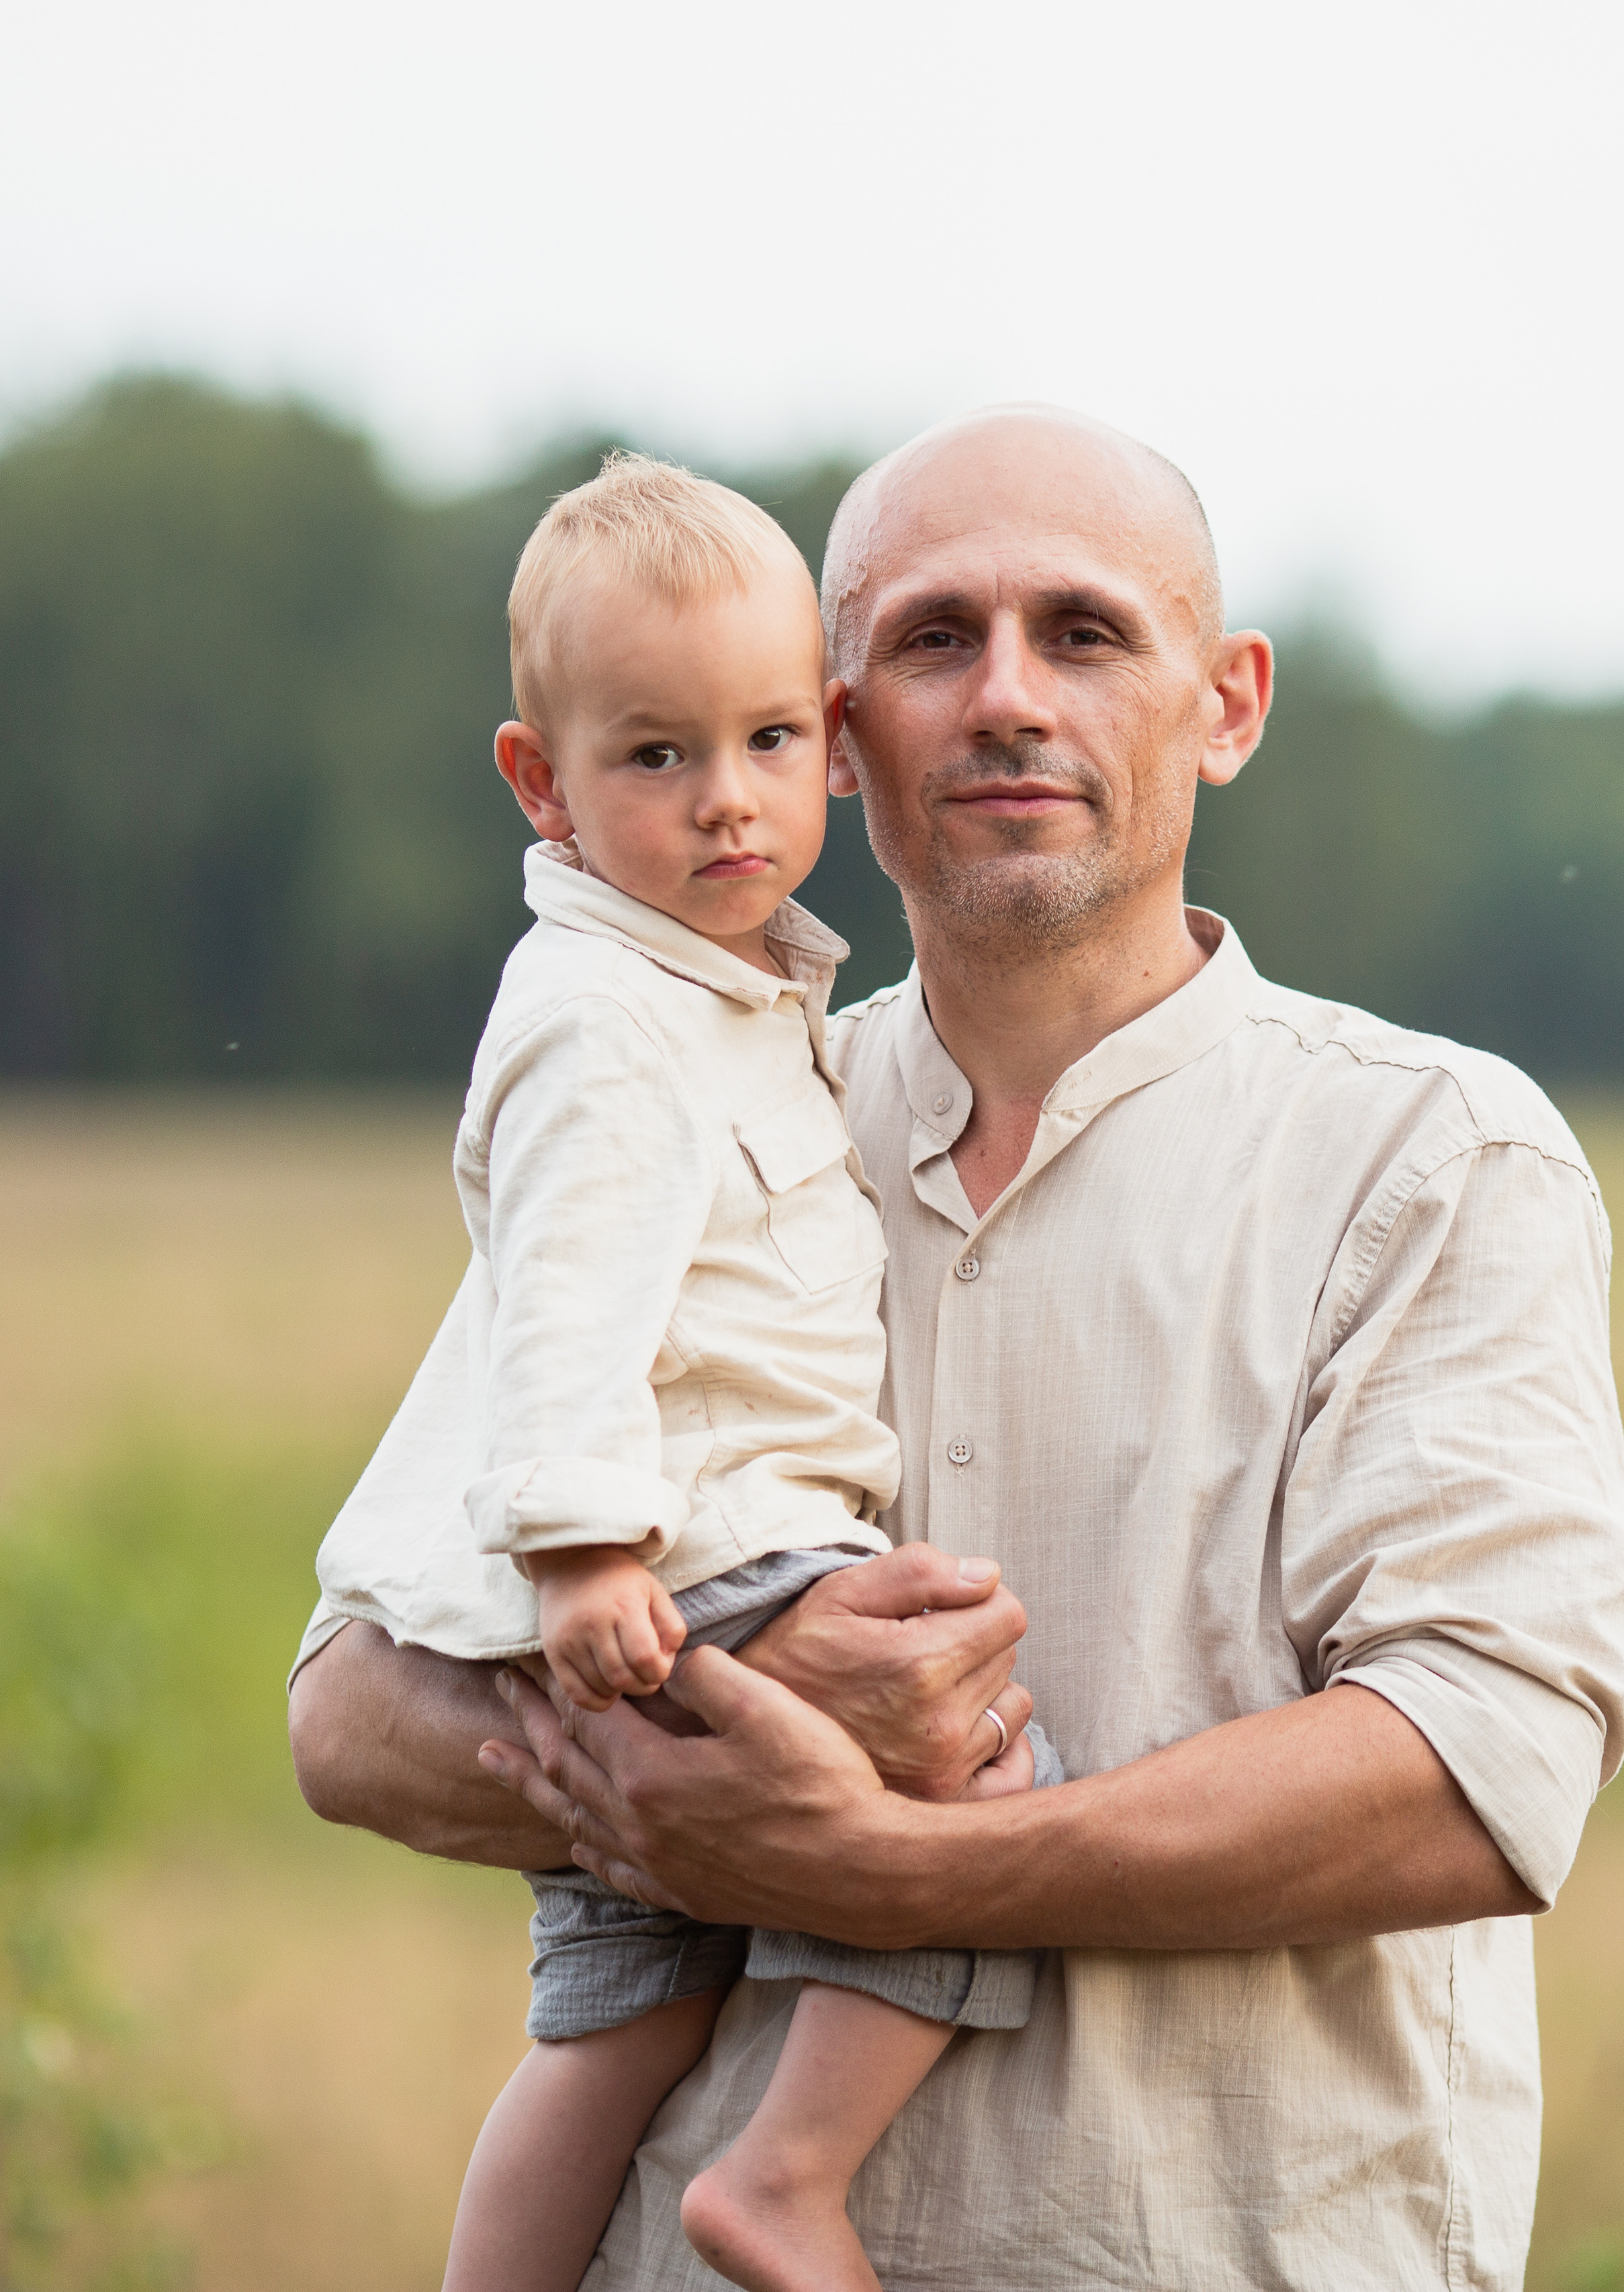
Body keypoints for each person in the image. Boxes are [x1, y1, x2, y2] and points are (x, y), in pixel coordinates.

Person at [290, 406, 1624, 2291]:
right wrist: (695, 1722)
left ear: (1228, 704)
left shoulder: (1433, 1159)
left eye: (1084, 633)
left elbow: (1478, 1772)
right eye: (935, 640)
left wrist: (882, 1868)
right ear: (844, 733)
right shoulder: (686, 1111)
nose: (1008, 697)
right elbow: (351, 1710)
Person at [312, 449, 1061, 2292]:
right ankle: (792, 2176)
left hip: (667, 1568)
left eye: (766, 744)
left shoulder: (725, 1000)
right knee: (984, 1769)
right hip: (698, 1558)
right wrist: (586, 1557)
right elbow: (569, 1307)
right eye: (655, 757)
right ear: (541, 782)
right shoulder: (614, 1022)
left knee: (618, 2023)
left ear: (830, 743)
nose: (727, 801)